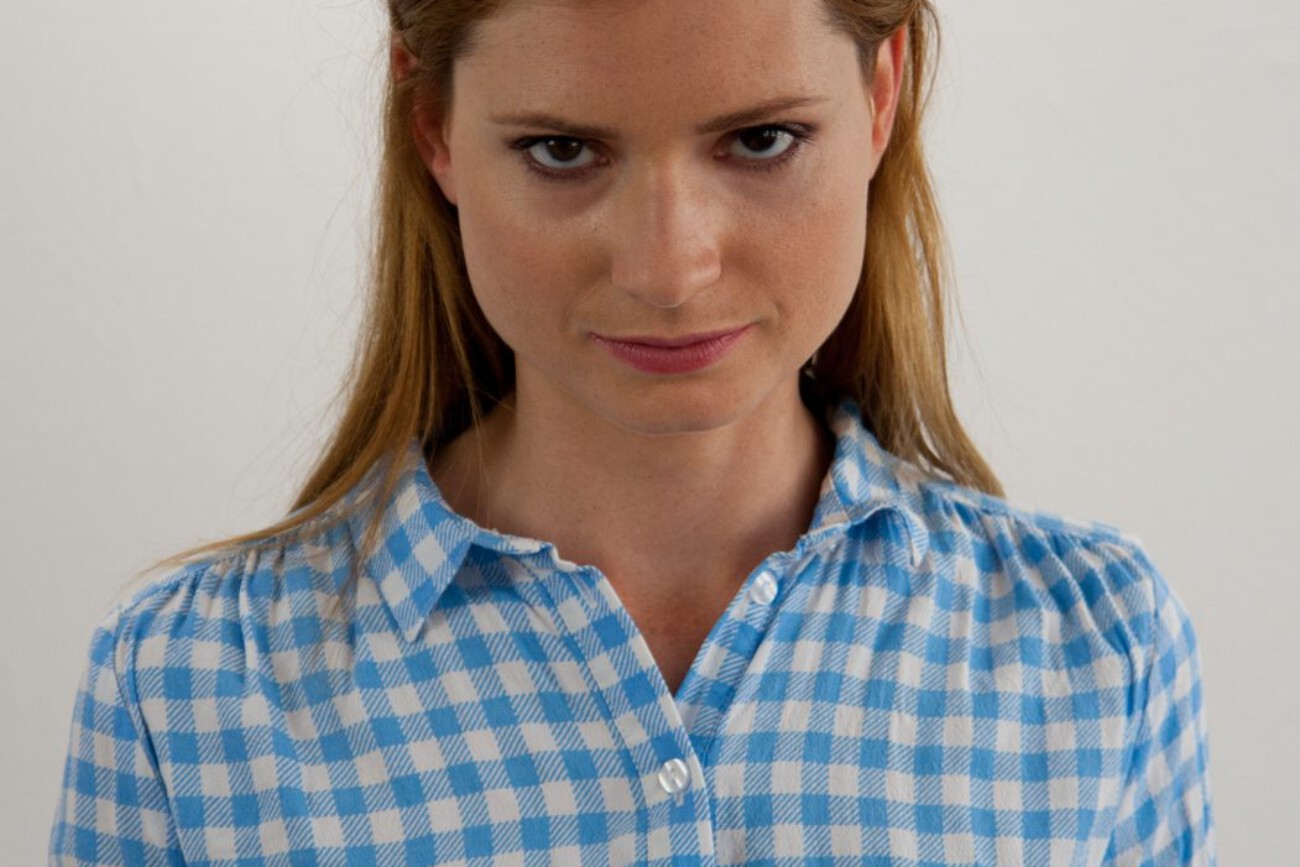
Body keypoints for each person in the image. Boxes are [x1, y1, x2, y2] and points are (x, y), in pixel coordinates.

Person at [49, 0, 1216, 863]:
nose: (669, 267)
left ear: (881, 92)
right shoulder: (188, 689)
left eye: (760, 141)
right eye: (562, 150)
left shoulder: (1095, 651)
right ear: (432, 125)